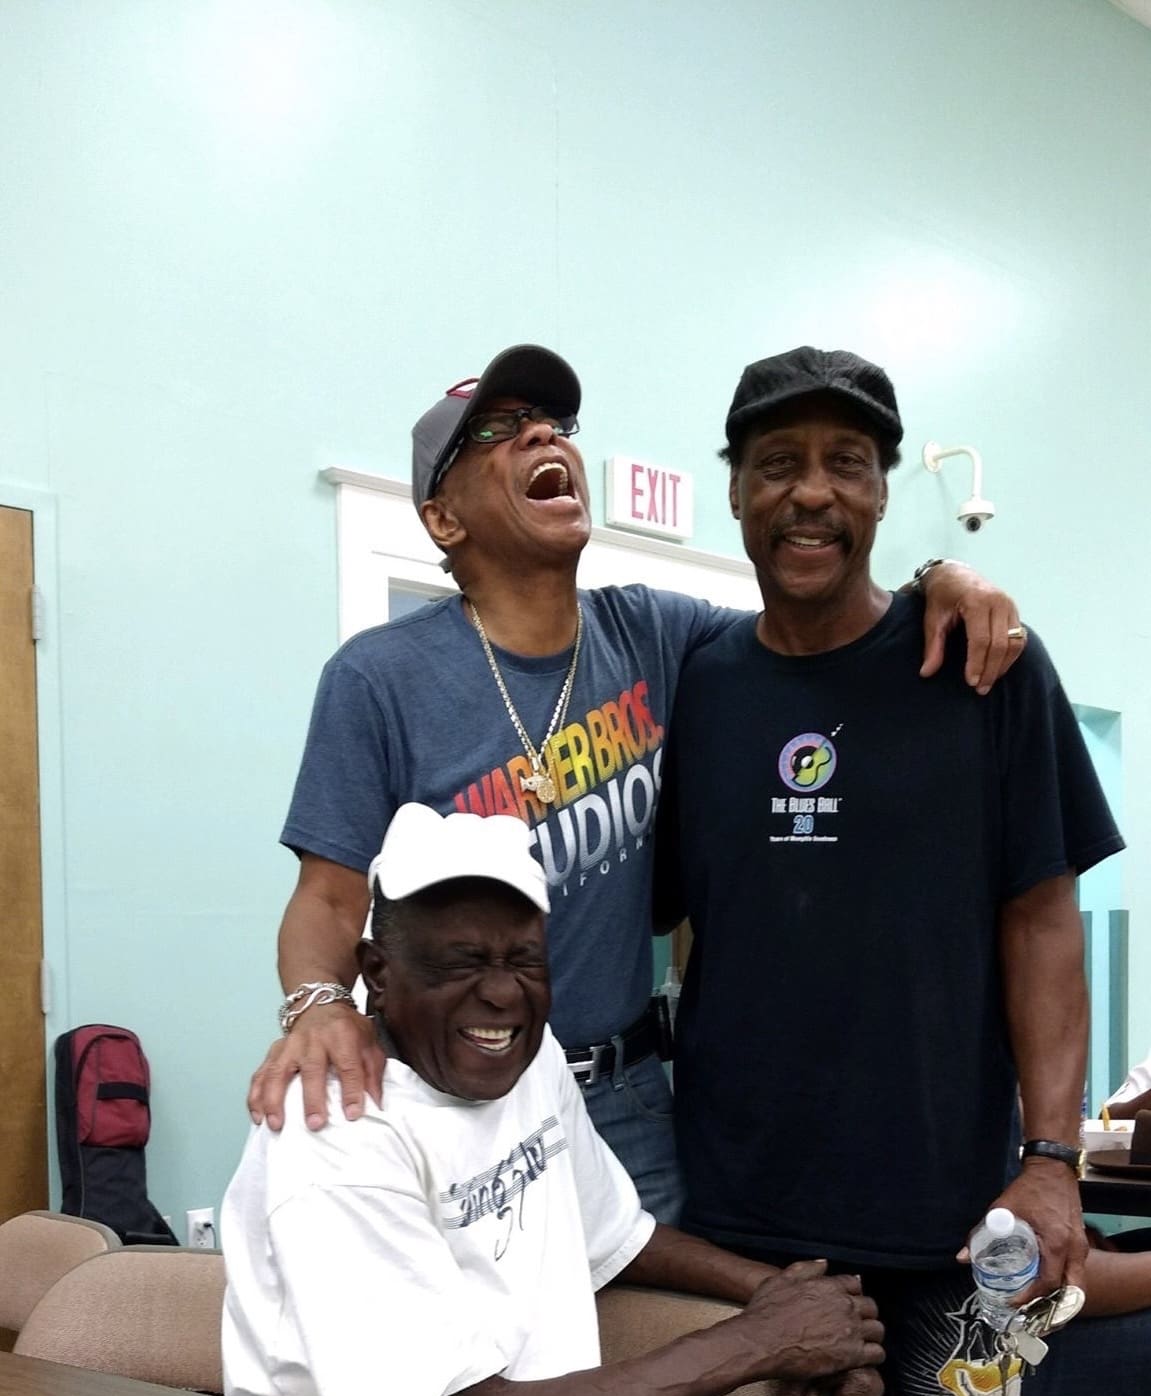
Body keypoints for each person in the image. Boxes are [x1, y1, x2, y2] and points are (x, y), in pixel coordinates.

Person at [250, 344, 1025, 1223]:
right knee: (482, 1356)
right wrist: (315, 1005)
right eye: (496, 433)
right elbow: (324, 897)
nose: (541, 433)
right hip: (459, 1096)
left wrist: (937, 577)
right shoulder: (379, 677)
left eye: (552, 423)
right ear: (441, 518)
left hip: (628, 1102)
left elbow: (825, 621)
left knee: (666, 1348)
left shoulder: (655, 633)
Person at [653, 344, 1134, 1396]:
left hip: (956, 1235)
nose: (810, 491)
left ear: (879, 491)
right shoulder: (700, 684)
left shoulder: (981, 670)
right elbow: (685, 927)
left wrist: (1050, 1159)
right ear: (733, 491)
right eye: (777, 463)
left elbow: (1041, 927)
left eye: (845, 463)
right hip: (736, 1236)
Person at [223, 803, 950, 1396]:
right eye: (461, 963)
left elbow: (619, 1238)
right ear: (378, 970)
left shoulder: (527, 1060)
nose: (502, 995)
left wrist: (779, 1294)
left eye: (523, 959)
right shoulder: (337, 1132)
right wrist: (764, 1338)